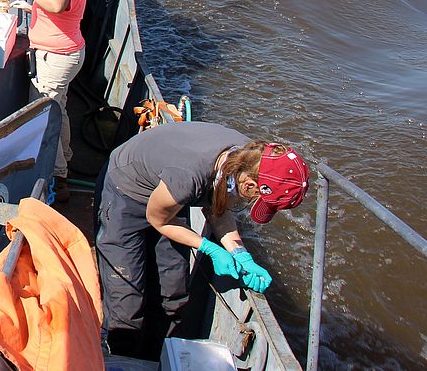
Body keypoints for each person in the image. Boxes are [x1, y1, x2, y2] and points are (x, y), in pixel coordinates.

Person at [95, 121, 311, 359]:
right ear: (250, 184)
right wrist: (210, 248)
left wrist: (239, 253)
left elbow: (218, 207)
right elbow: (158, 219)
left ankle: (156, 355)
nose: (251, 203)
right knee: (126, 303)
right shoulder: (189, 176)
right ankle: (121, 356)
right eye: (256, 198)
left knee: (173, 294)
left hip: (170, 195)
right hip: (128, 191)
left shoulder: (248, 160)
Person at [7, 0, 87, 201]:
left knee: (43, 116)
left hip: (56, 59)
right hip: (66, 53)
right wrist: (32, 8)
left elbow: (57, 5)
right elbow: (64, 13)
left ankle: (56, 178)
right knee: (58, 109)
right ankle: (65, 161)